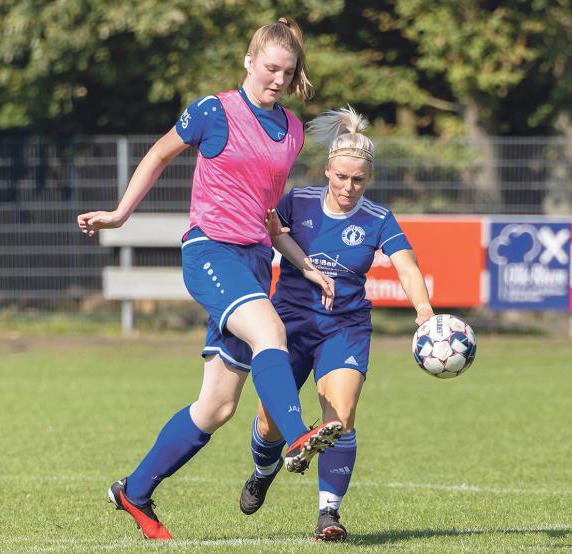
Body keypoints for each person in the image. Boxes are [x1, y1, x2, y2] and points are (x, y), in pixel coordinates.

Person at [76, 18, 344, 541]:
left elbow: (268, 217)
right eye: (269, 68)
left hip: (252, 262)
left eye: (286, 73)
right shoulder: (213, 110)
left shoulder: (290, 131)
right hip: (210, 252)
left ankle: (134, 490)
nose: (276, 80)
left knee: (217, 406)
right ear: (249, 61)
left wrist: (305, 264)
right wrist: (119, 214)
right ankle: (295, 437)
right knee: (272, 333)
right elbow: (157, 154)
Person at [236, 106, 435, 542]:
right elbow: (274, 233)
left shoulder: (378, 219)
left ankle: (329, 513)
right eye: (341, 177)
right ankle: (262, 470)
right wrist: (305, 265)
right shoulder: (298, 201)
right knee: (269, 423)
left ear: (369, 178)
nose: (348, 187)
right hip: (286, 323)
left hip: (343, 327)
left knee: (339, 418)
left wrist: (423, 310)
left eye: (358, 180)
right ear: (328, 169)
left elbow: (407, 265)